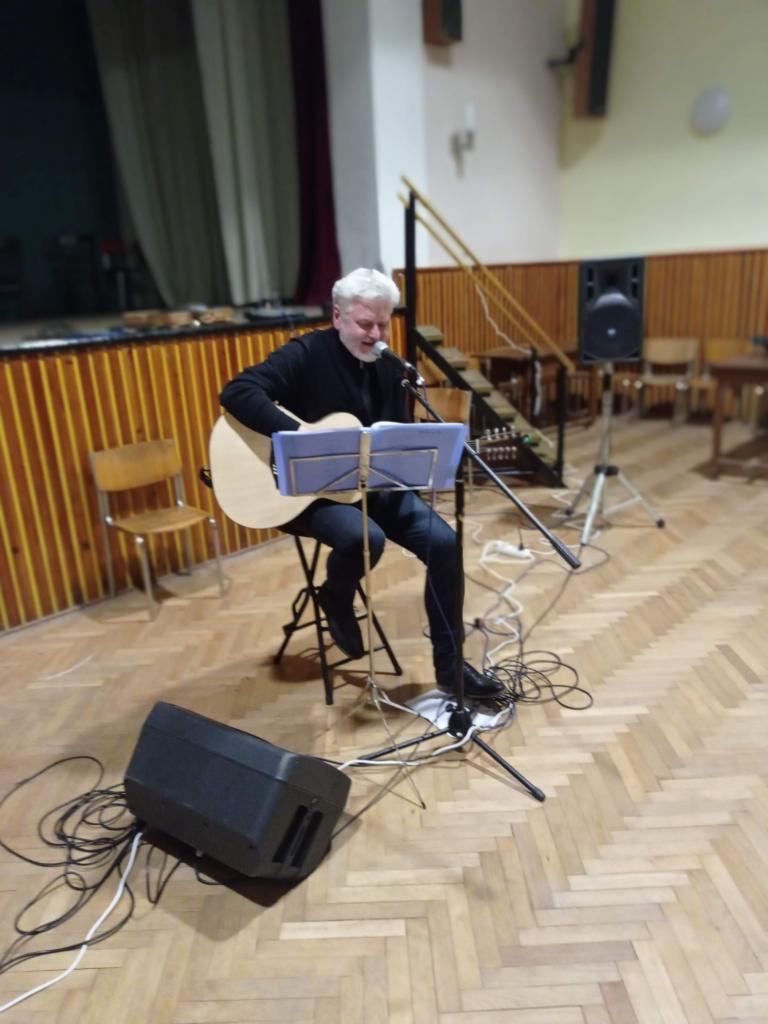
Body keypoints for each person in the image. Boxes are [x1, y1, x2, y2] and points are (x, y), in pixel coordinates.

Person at [219, 267, 502, 699]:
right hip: (305, 493)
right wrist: (300, 436)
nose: (376, 335)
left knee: (445, 544)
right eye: (365, 324)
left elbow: (390, 438)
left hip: (369, 485)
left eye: (383, 324)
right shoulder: (306, 354)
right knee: (364, 537)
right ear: (337, 316)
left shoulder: (389, 367)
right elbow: (238, 392)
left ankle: (451, 670)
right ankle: (336, 596)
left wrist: (417, 458)